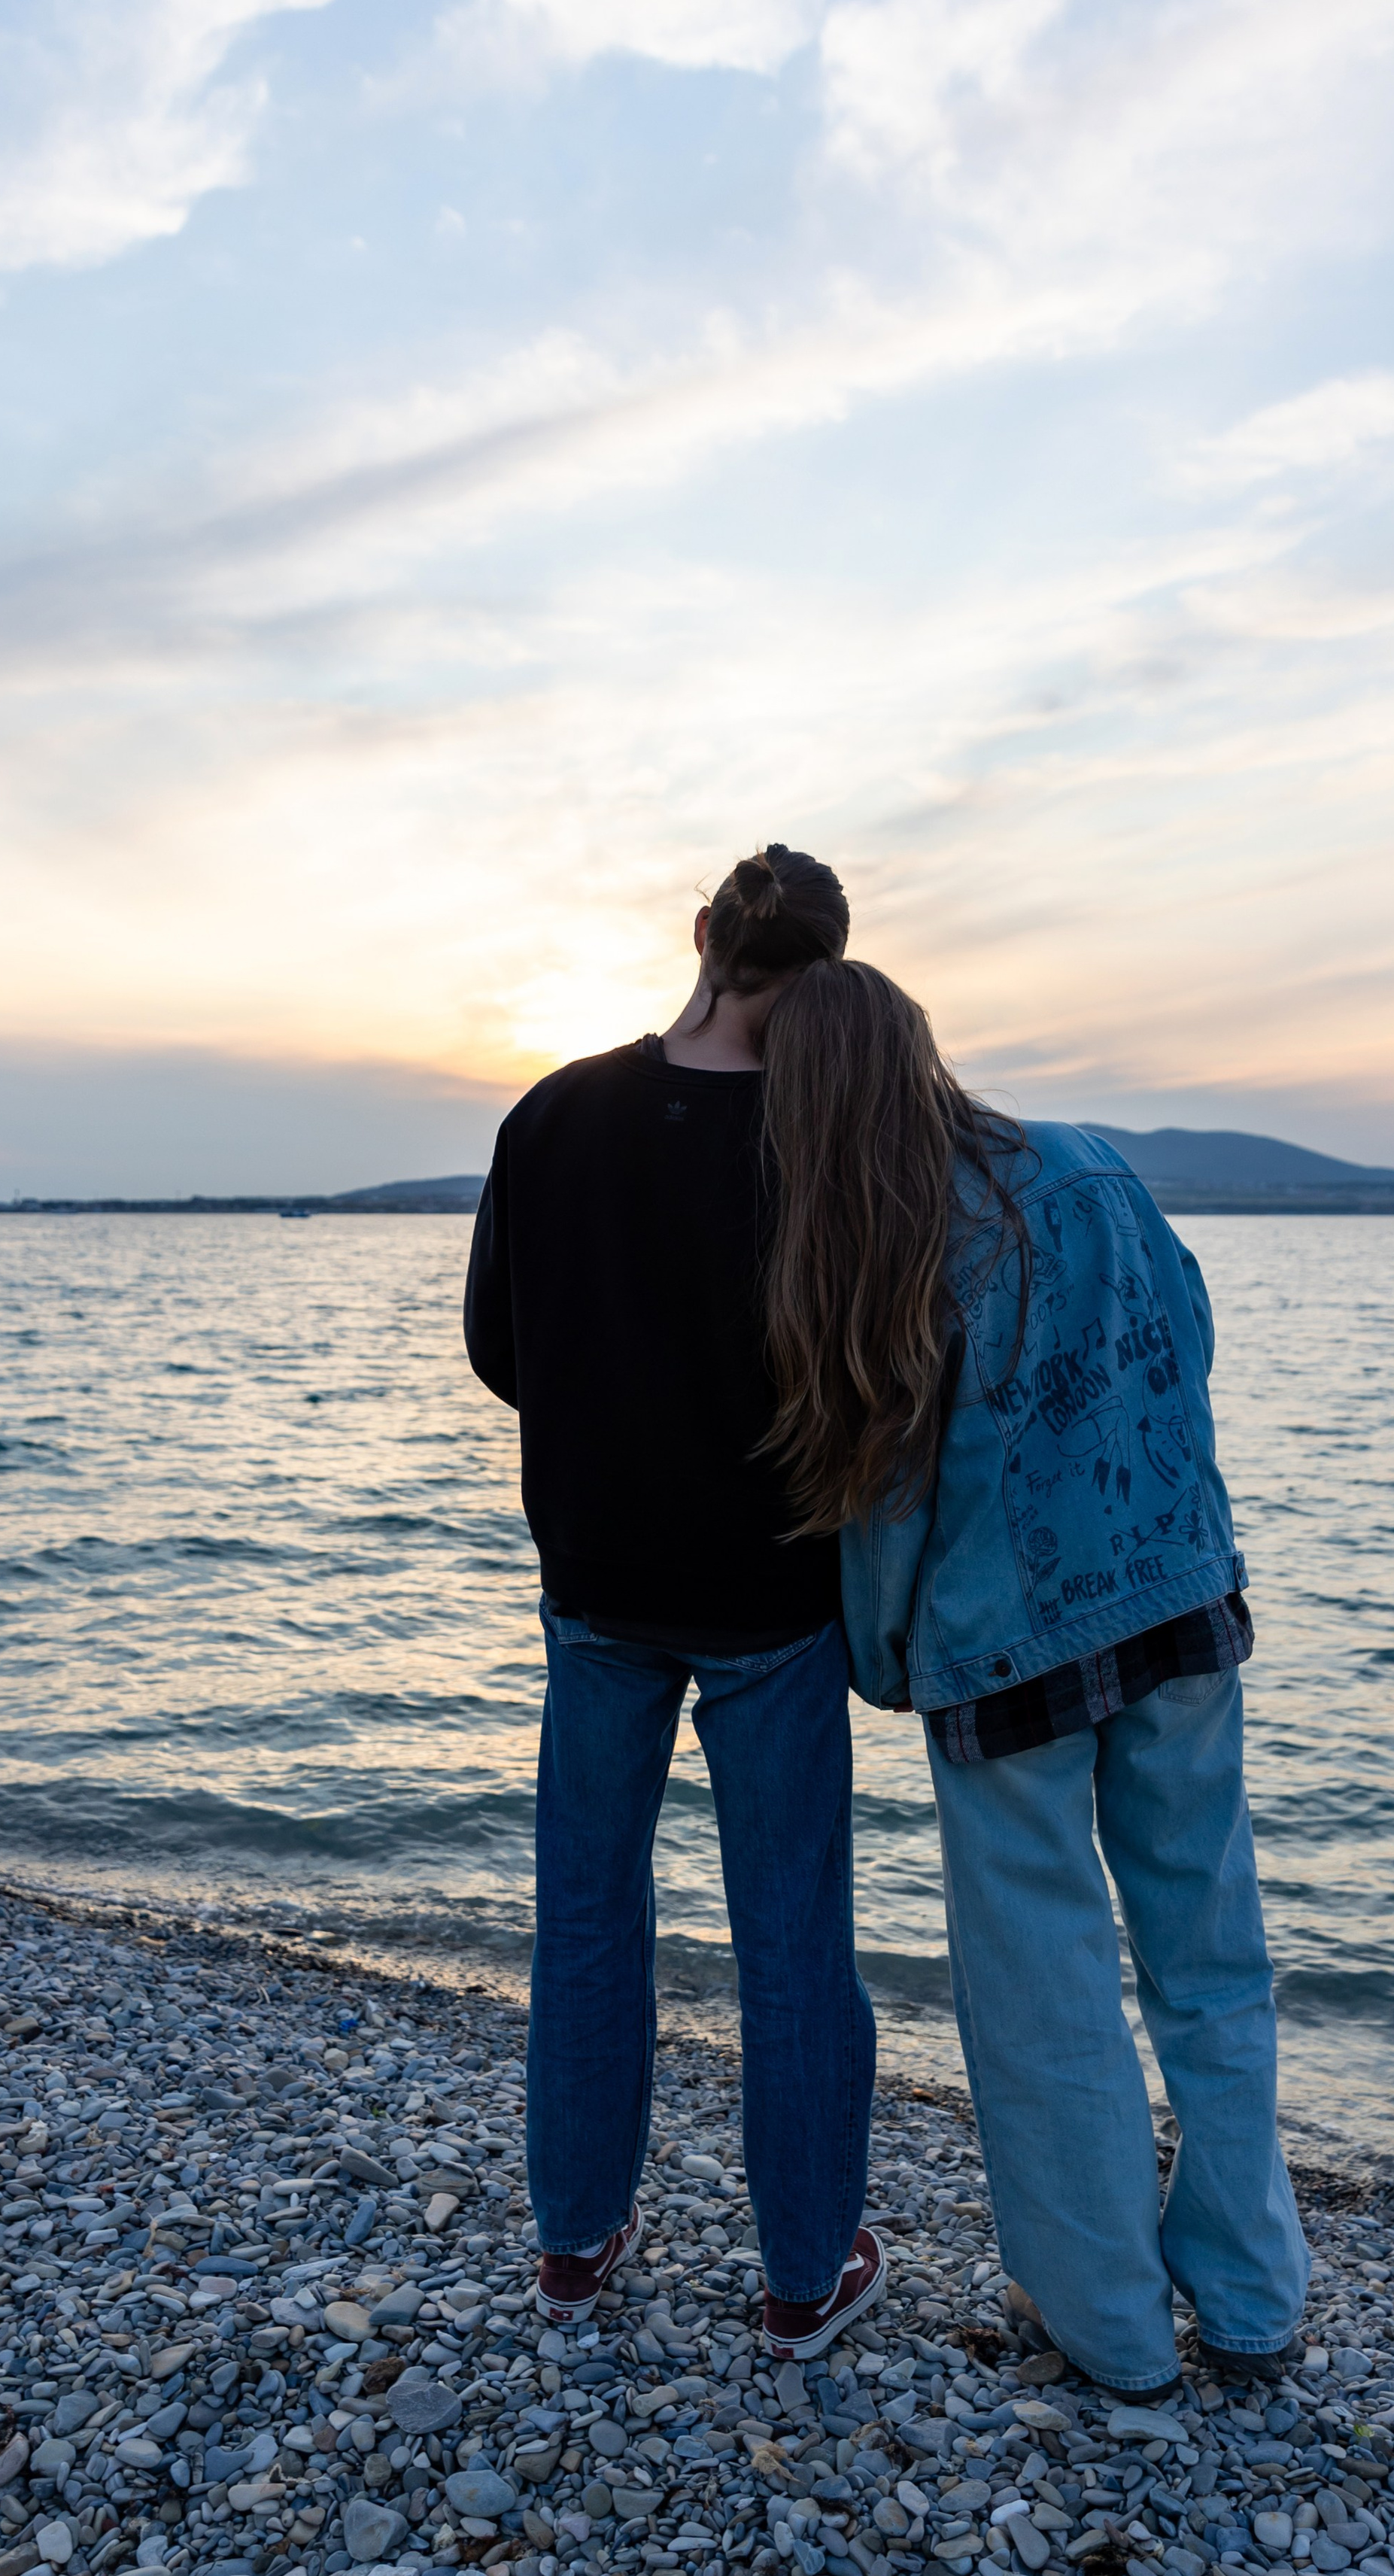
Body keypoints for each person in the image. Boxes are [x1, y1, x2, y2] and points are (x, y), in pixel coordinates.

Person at [756, 957, 1308, 2397]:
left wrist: (885, 1656)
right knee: (1212, 1962)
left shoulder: (885, 1240)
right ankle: (1254, 2304)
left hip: (1004, 1654)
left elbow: (887, 1493)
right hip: (1183, 1595)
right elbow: (1189, 1339)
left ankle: (1115, 2330)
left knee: (1047, 1994)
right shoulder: (1093, 1165)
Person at [463, 846, 886, 2357]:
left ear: (701, 934)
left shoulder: (549, 1111)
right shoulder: (825, 1140)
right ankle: (797, 2275)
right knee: (787, 1931)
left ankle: (574, 2246)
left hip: (592, 1577)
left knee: (583, 1913)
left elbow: (498, 1347)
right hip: (769, 1588)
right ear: (828, 972)